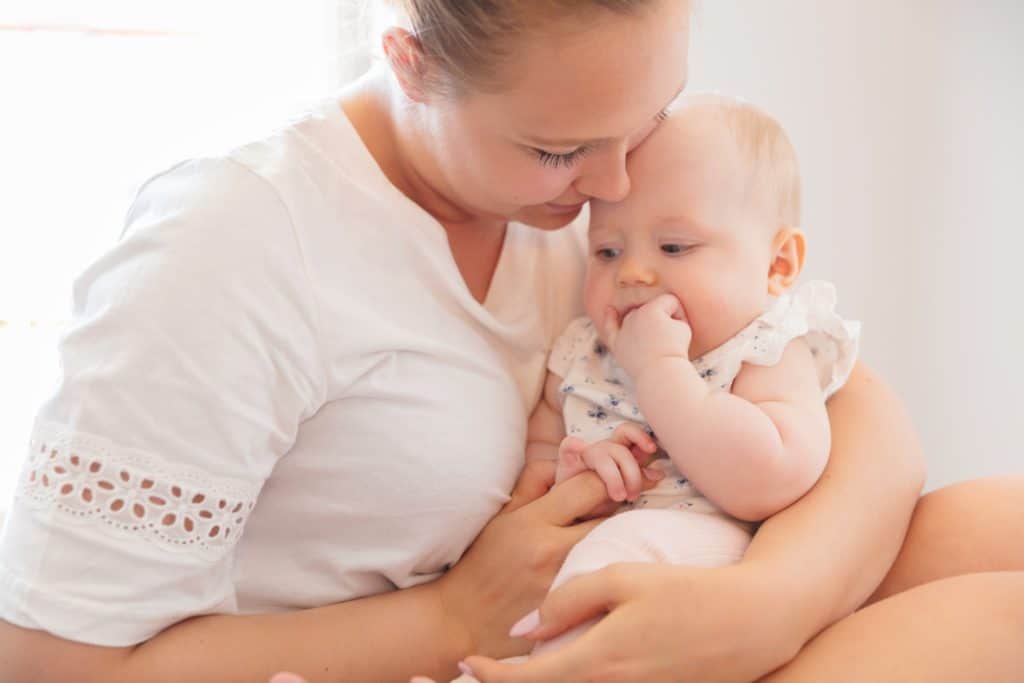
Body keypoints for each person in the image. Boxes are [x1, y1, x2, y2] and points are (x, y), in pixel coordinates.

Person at [0, 2, 1019, 682]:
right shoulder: (236, 243)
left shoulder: (592, 191)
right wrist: (447, 621)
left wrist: (765, 603)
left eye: (647, 118)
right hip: (474, 655)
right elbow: (45, 660)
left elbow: (852, 406)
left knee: (1000, 527)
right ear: (409, 62)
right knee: (998, 623)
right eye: (561, 149)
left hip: (653, 584)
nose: (616, 186)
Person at [511, 96, 862, 661]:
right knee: (573, 570)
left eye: (674, 247)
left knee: (615, 557)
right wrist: (570, 469)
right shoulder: (585, 349)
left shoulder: (761, 350)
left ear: (778, 266)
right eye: (606, 250)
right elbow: (539, 455)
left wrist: (662, 373)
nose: (633, 273)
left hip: (709, 554)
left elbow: (771, 477)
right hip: (589, 546)